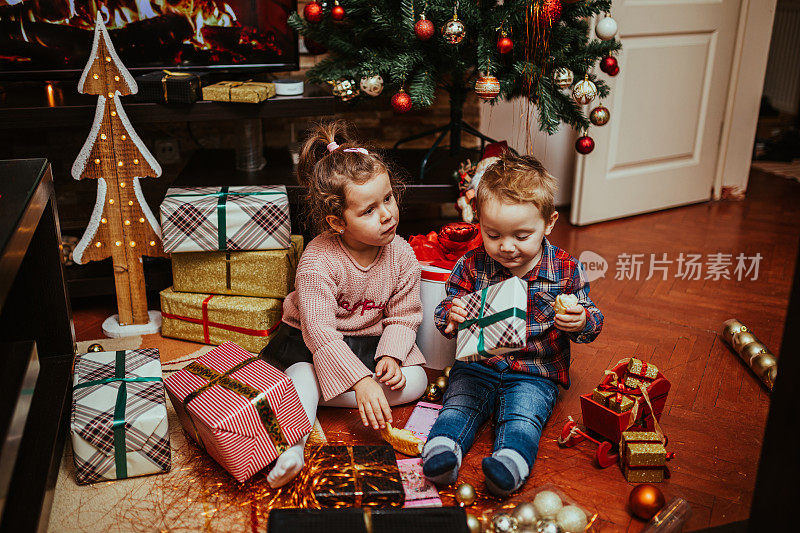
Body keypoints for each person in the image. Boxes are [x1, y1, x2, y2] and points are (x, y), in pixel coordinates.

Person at [422, 152, 604, 496]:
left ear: (549, 223)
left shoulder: (565, 269)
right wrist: (451, 314)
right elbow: (446, 306)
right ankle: (442, 452)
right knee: (457, 405)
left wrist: (580, 319)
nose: (506, 247)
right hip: (478, 365)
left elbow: (593, 320)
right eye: (492, 234)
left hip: (535, 373)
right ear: (479, 221)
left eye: (521, 236)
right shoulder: (472, 265)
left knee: (523, 417)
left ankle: (510, 463)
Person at [261, 121, 427, 488]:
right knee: (303, 374)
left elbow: (405, 314)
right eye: (368, 210)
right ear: (337, 221)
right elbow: (320, 332)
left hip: (368, 340)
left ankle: (322, 396)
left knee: (415, 381)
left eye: (387, 199)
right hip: (313, 343)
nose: (386, 214)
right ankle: (294, 447)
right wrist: (360, 381)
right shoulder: (318, 262)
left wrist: (391, 356)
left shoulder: (400, 252)